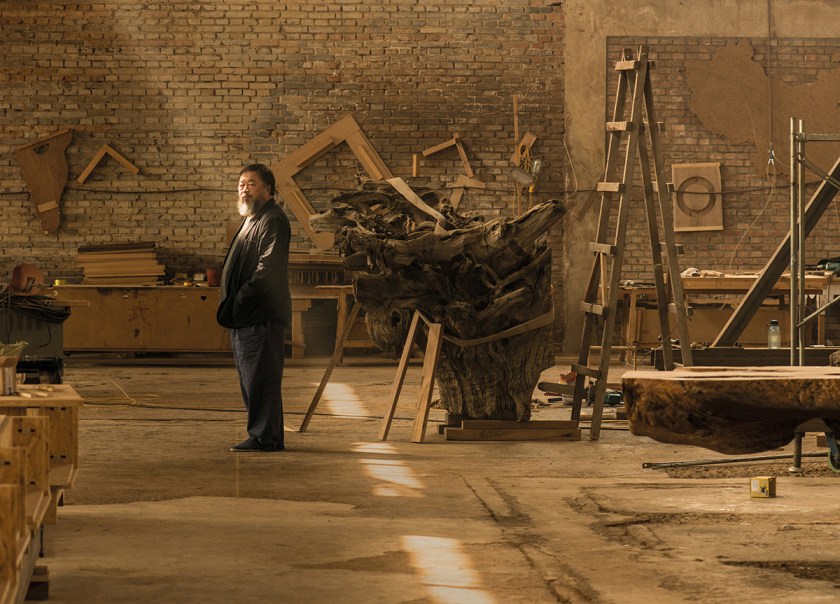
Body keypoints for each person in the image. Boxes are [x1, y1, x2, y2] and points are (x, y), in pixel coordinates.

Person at [217, 163, 291, 452]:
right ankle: (264, 435)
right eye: (241, 184)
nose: (244, 188)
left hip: (259, 316)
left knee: (261, 379)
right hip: (246, 316)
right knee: (253, 379)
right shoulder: (253, 218)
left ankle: (265, 437)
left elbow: (267, 271)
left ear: (268, 189)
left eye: (251, 183)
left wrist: (240, 300)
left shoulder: (272, 219)